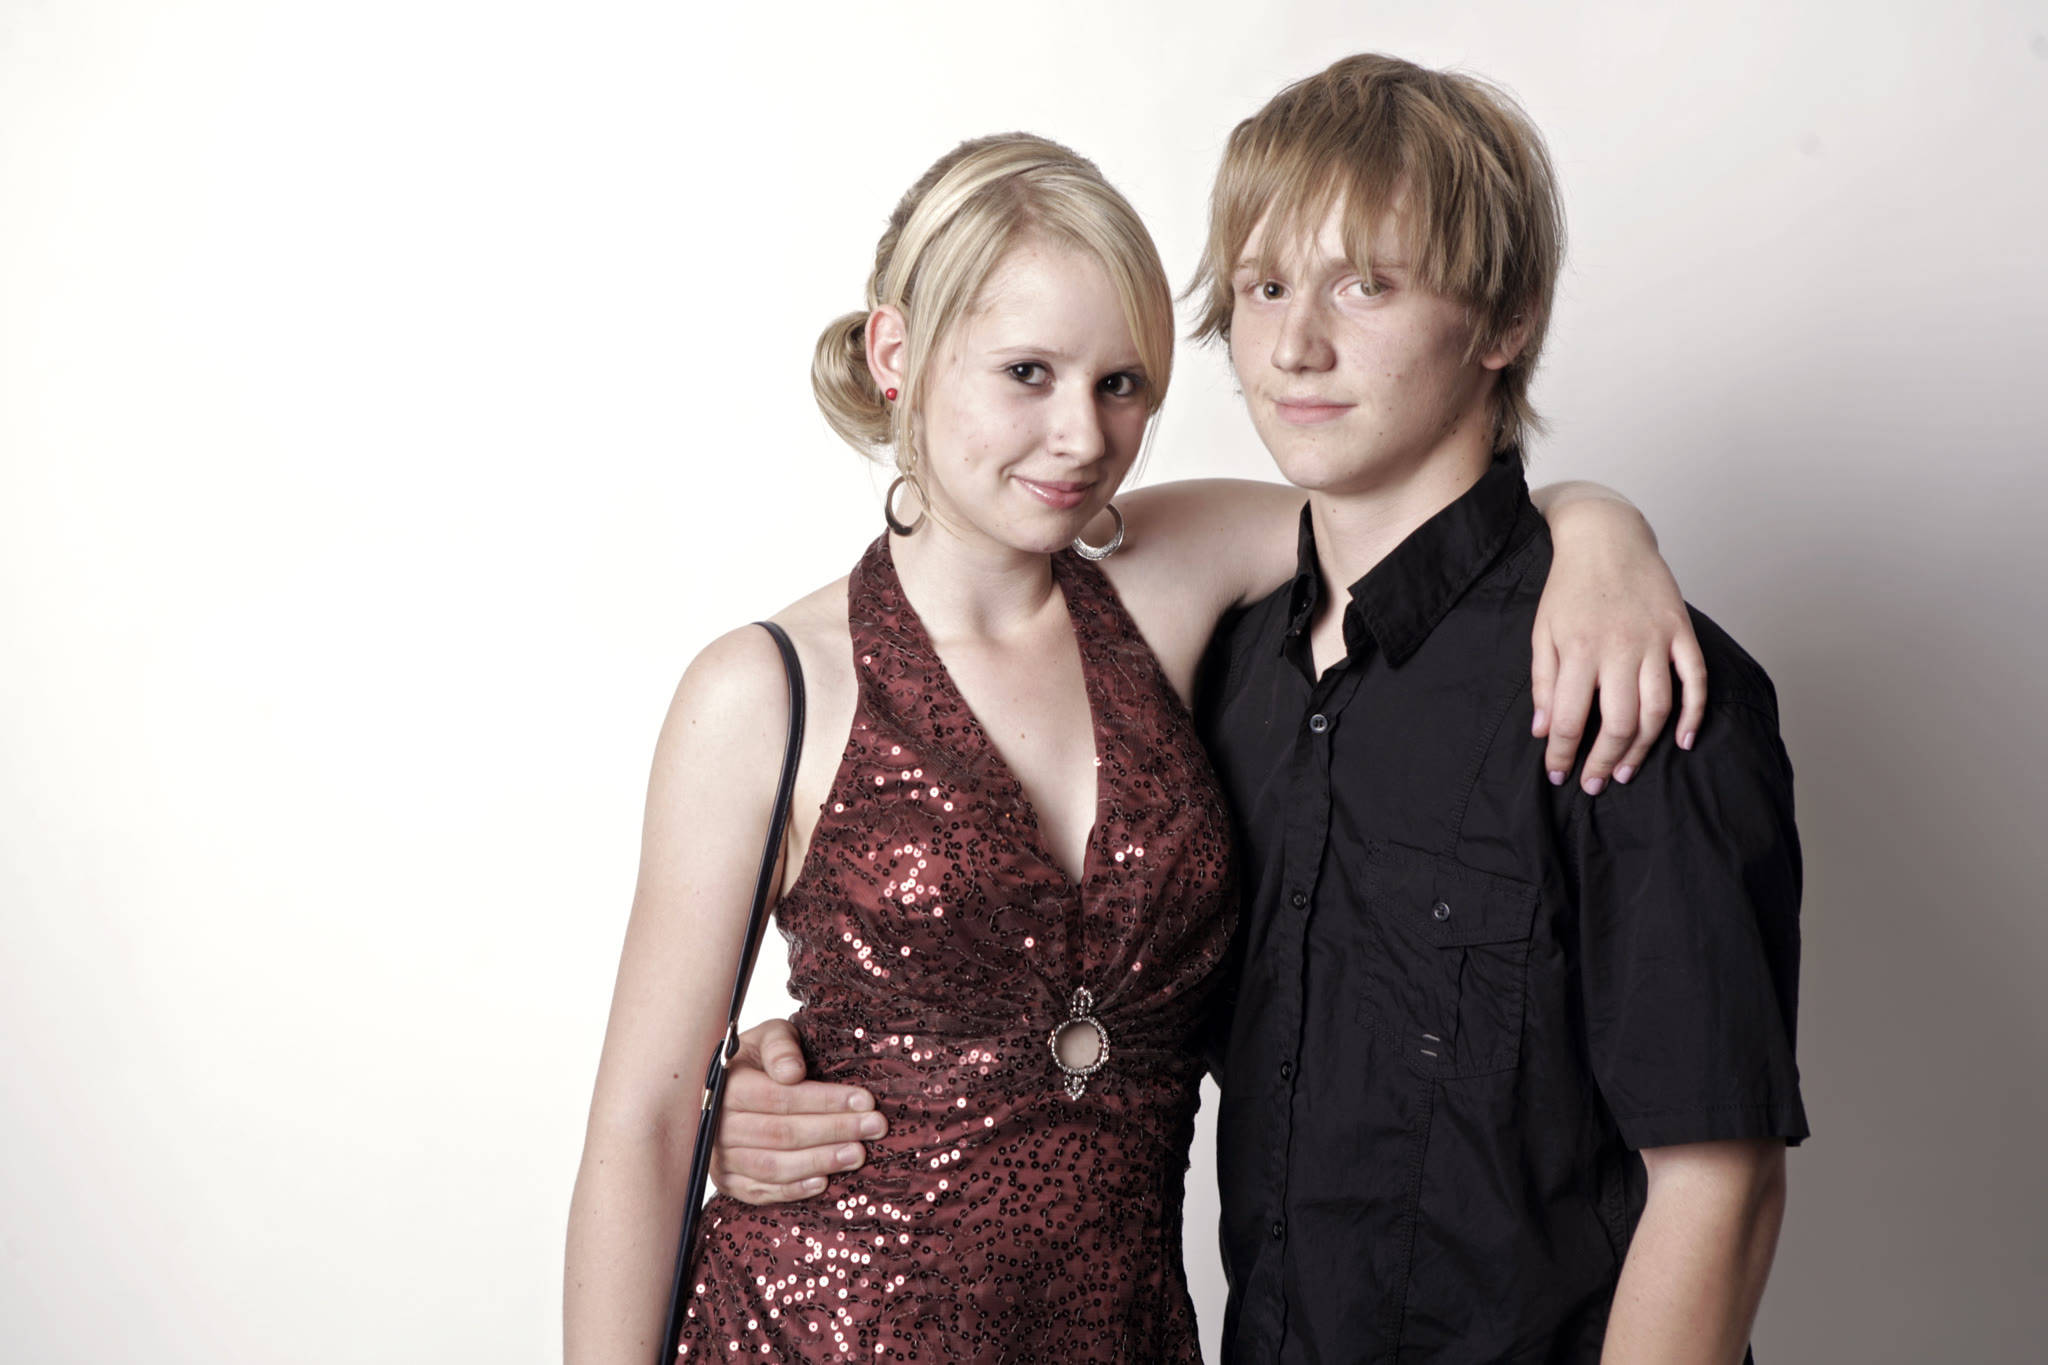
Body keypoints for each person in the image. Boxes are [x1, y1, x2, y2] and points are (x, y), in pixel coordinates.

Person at [565, 127, 1705, 1364]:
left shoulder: (1165, 579)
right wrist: (732, 1107)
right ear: (896, 354)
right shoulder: (765, 692)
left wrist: (1598, 528)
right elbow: (641, 1130)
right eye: (1026, 373)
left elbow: (1428, 514)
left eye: (1120, 385)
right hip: (809, 1330)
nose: (1079, 437)